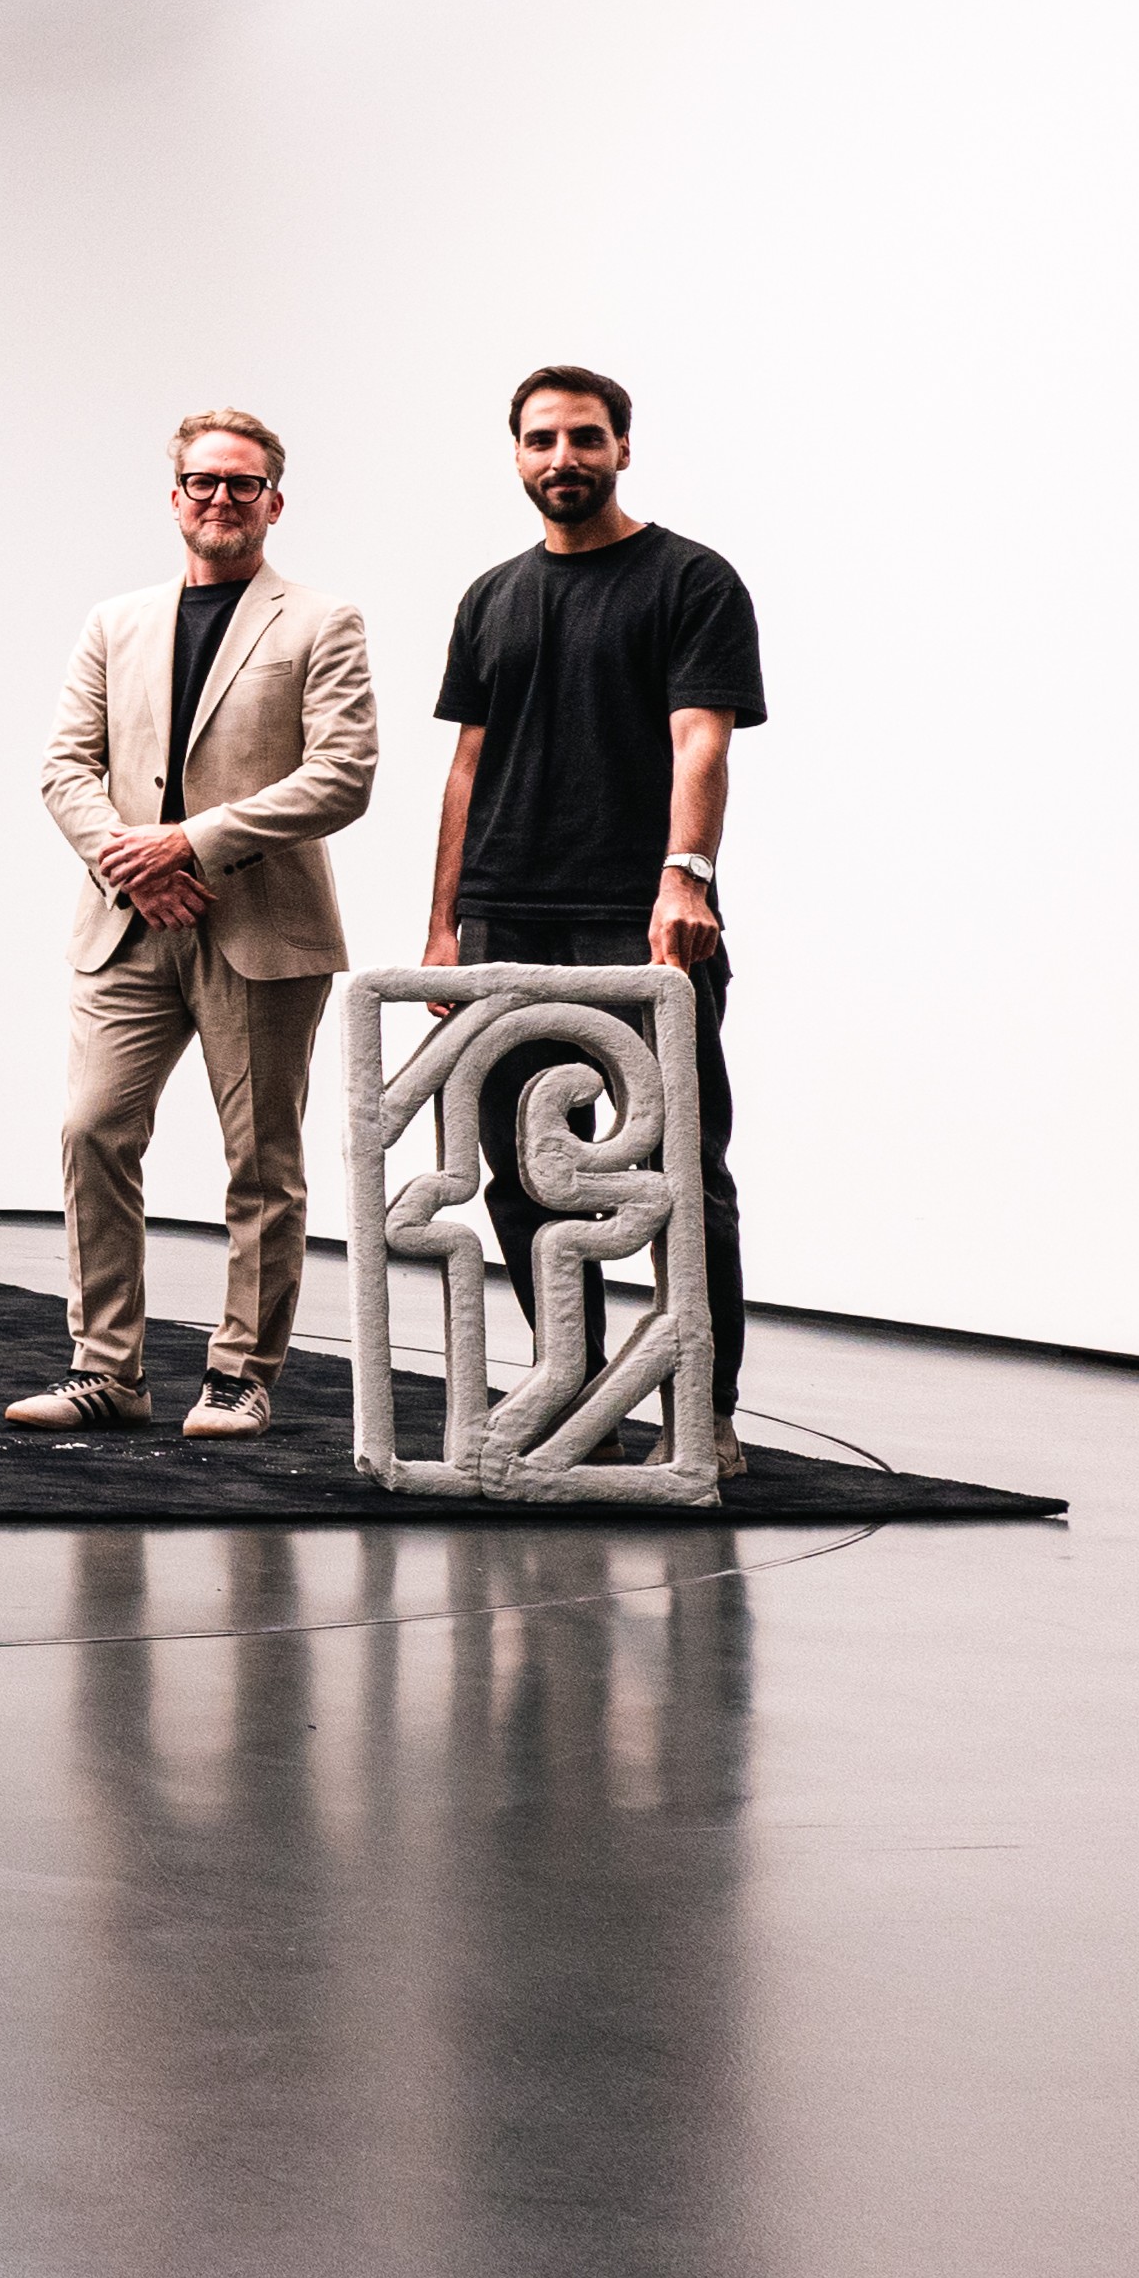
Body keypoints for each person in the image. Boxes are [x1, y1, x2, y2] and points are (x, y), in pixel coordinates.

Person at [424, 364, 766, 1465]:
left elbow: (699, 739)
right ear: (517, 456)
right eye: (541, 440)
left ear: (622, 446)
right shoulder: (490, 597)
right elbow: (466, 769)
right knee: (526, 1174)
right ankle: (575, 1386)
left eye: (582, 437)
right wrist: (443, 926)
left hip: (638, 916)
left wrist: (685, 877)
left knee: (680, 1175)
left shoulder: (691, 579)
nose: (561, 458)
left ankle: (703, 1411)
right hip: (503, 920)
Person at [22, 410, 379, 1439]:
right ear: (173, 496)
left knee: (260, 1161)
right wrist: (133, 867)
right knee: (91, 1130)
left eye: (242, 482)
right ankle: (106, 1370)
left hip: (260, 925)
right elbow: (64, 767)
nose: (221, 497)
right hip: (127, 922)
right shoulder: (114, 621)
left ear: (275, 500)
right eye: (203, 481)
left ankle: (240, 1375)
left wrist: (190, 843)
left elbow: (342, 775)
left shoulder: (322, 620)